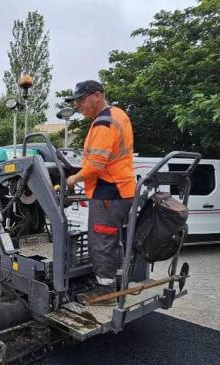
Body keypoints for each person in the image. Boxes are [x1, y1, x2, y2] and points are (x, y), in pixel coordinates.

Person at [64, 80, 136, 298]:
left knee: (102, 240)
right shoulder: (118, 114)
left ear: (97, 96)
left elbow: (96, 164)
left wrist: (73, 178)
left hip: (108, 191)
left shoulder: (103, 123)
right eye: (76, 101)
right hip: (122, 189)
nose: (78, 105)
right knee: (114, 239)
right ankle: (118, 285)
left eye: (81, 99)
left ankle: (104, 292)